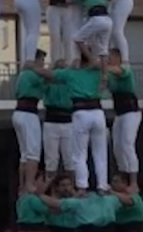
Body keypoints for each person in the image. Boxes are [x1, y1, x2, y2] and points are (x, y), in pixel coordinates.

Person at [27, 59, 106, 191]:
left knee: (63, 159)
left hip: (61, 120)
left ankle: (70, 188)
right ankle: (59, 189)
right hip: (59, 119)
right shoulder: (67, 77)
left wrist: (37, 68)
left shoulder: (68, 77)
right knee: (60, 159)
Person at [13, 49, 47, 194]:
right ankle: (29, 184)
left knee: (24, 153)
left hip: (19, 112)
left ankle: (22, 184)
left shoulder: (22, 75)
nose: (43, 65)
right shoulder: (32, 75)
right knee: (33, 152)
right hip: (28, 112)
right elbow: (48, 78)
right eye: (42, 61)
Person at [106, 50, 140, 182]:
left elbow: (118, 71)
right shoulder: (110, 76)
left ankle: (133, 178)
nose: (108, 60)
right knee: (117, 146)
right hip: (119, 113)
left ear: (118, 58)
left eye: (110, 58)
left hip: (131, 112)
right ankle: (123, 172)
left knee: (127, 143)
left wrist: (102, 66)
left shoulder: (126, 70)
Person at [41, 59, 74, 180]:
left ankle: (67, 186)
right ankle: (55, 186)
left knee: (55, 159)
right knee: (64, 158)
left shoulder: (67, 82)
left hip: (59, 120)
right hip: (59, 119)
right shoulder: (52, 82)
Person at [43, 0, 75, 64]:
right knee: (55, 36)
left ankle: (69, 62)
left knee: (68, 38)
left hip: (67, 8)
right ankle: (55, 62)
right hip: (54, 6)